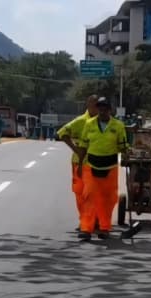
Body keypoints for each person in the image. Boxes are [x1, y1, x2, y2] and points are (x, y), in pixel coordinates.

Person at [75, 97, 128, 241]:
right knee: (89, 197)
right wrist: (80, 165)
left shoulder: (118, 126)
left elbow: (123, 145)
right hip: (91, 165)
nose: (102, 110)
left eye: (105, 107)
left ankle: (104, 228)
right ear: (97, 109)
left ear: (110, 109)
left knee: (108, 199)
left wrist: (126, 154)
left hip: (110, 167)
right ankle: (86, 229)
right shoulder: (89, 124)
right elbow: (83, 147)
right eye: (100, 107)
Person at [57, 94, 99, 231]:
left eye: (99, 105)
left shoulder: (105, 122)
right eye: (94, 105)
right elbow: (62, 133)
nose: (96, 108)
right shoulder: (80, 121)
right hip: (80, 163)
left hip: (99, 163)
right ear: (88, 105)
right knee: (81, 195)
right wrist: (76, 149)